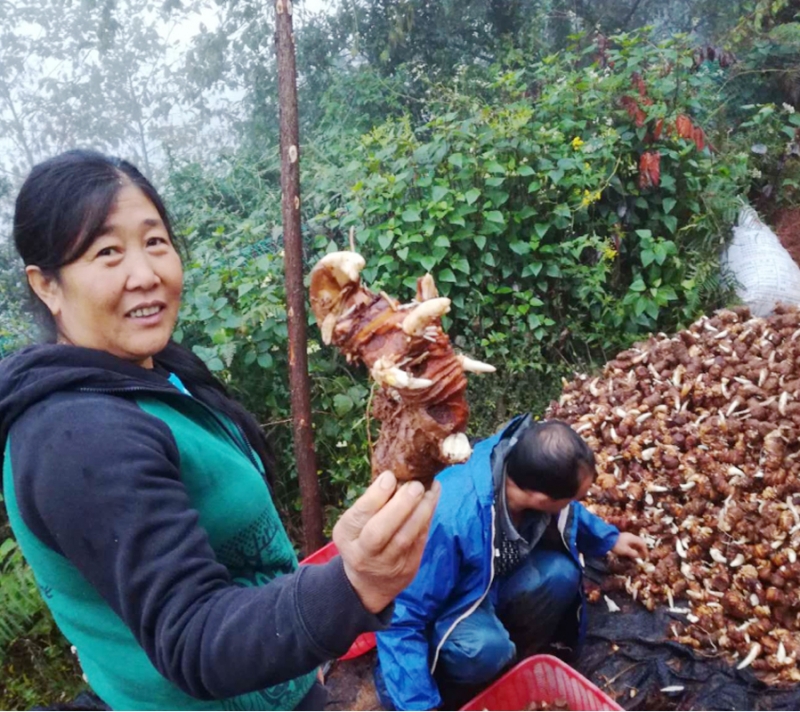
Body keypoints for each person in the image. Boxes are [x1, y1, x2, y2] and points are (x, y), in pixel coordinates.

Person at [0, 149, 440, 711]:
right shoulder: (77, 437)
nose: (146, 274)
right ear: (48, 286)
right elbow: (192, 635)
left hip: (280, 682)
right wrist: (352, 585)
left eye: (155, 242)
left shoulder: (152, 373)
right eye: (107, 252)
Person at [374, 415, 648, 711]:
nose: (574, 504)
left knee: (561, 575)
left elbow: (569, 513)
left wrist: (608, 539)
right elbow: (401, 618)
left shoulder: (523, 469)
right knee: (486, 649)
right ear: (542, 498)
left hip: (488, 582)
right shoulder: (452, 518)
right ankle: (453, 681)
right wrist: (421, 706)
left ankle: (510, 659)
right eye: (572, 498)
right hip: (446, 609)